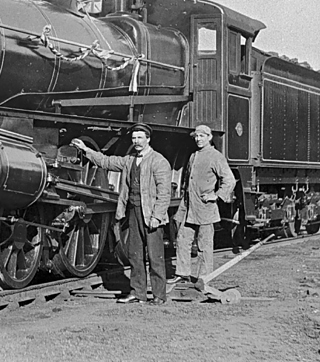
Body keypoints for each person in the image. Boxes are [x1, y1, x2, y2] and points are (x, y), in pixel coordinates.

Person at [71, 123, 171, 305]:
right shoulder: (129, 160)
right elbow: (106, 162)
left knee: (155, 257)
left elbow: (164, 193)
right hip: (134, 211)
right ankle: (138, 292)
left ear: (148, 139)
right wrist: (86, 150)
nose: (137, 141)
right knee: (135, 254)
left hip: (151, 214)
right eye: (134, 138)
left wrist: (157, 216)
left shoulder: (159, 161)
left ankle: (159, 295)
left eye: (140, 138)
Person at [169, 124, 237, 284]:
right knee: (183, 239)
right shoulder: (193, 155)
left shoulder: (216, 157)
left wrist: (216, 195)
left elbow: (229, 180)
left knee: (204, 244)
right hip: (188, 206)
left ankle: (204, 278)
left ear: (209, 137)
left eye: (202, 136)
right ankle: (182, 273)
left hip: (205, 207)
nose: (198, 139)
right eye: (196, 137)